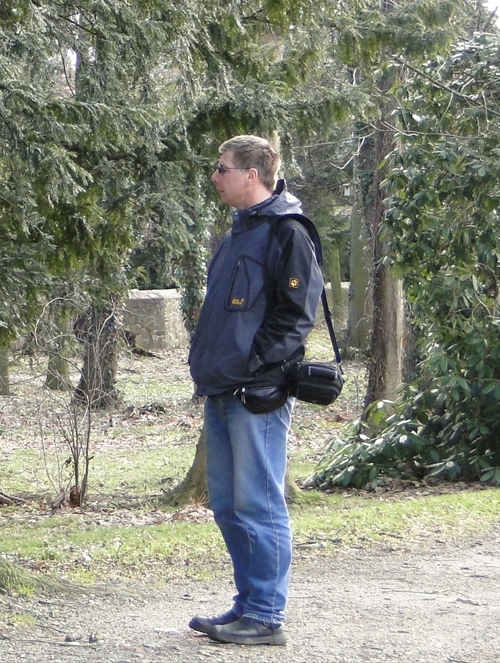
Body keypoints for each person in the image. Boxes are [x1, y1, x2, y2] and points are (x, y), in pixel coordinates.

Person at [186, 135, 323, 647]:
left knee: (260, 503)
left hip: (256, 393)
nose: (215, 178)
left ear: (252, 174)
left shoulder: (288, 231)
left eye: (222, 169)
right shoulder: (237, 233)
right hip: (221, 389)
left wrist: (254, 365)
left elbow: (296, 317)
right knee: (226, 503)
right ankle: (247, 605)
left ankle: (267, 615)